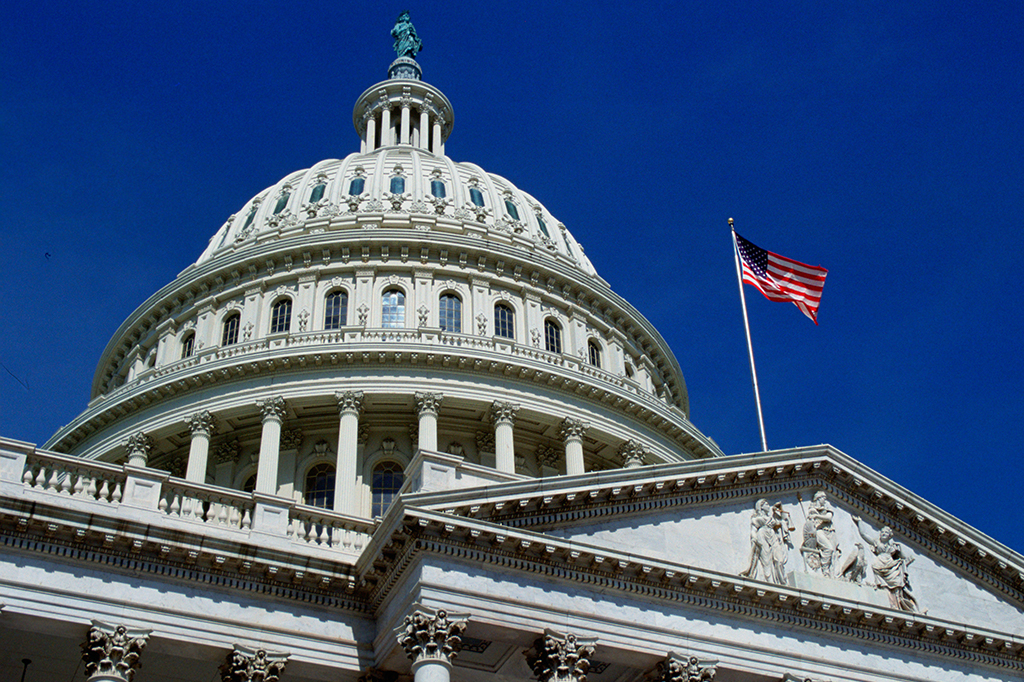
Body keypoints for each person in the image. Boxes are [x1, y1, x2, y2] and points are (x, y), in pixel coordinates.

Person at [853, 516, 921, 612]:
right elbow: (864, 534)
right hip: (880, 563)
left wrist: (900, 550)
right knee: (883, 584)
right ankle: (888, 600)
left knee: (897, 581)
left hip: (891, 563)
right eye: (882, 532)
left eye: (886, 533)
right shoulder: (876, 542)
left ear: (890, 536)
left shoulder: (893, 547)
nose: (884, 534)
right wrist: (859, 522)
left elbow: (904, 558)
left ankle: (897, 603)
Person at [740, 499, 791, 584]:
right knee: (766, 561)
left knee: (779, 560)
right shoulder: (757, 518)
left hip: (772, 536)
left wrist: (777, 511)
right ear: (761, 507)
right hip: (762, 536)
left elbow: (779, 522)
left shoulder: (771, 518)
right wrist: (755, 539)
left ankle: (782, 581)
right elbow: (753, 529)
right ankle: (769, 581)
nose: (768, 506)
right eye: (766, 504)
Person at [802, 490, 840, 576]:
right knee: (829, 548)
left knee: (833, 553)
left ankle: (832, 572)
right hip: (819, 530)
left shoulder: (827, 508)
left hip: (830, 531)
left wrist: (817, 516)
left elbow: (828, 518)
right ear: (818, 498)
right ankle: (825, 569)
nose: (825, 500)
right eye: (823, 498)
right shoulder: (812, 509)